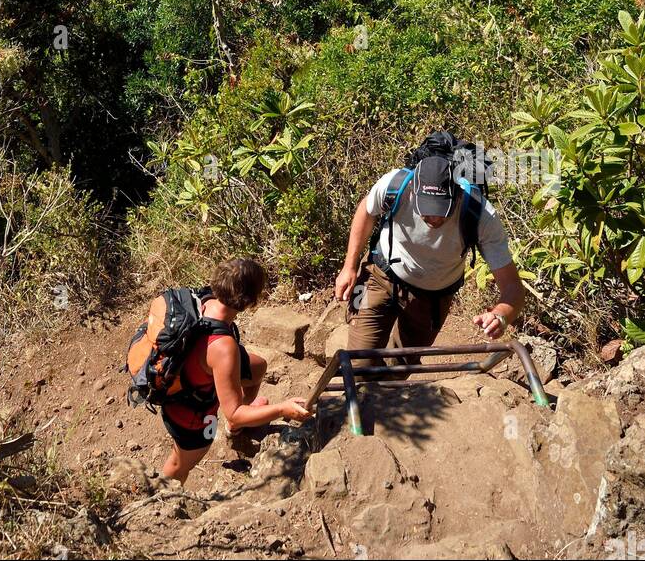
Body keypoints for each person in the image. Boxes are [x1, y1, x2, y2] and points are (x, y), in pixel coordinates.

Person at [334, 146, 525, 363]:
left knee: (401, 368)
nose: (433, 217)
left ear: (457, 194)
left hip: (433, 297)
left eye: (441, 209)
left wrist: (501, 315)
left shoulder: (481, 215)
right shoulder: (394, 185)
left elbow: (513, 288)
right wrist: (349, 266)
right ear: (414, 191)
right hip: (378, 276)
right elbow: (366, 210)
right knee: (359, 364)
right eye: (426, 208)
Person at [160, 257, 311, 485]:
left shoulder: (204, 299)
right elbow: (233, 411)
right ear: (249, 301)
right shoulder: (223, 348)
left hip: (194, 369)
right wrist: (282, 408)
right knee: (181, 463)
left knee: (258, 367)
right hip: (189, 412)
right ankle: (163, 501)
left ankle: (237, 428)